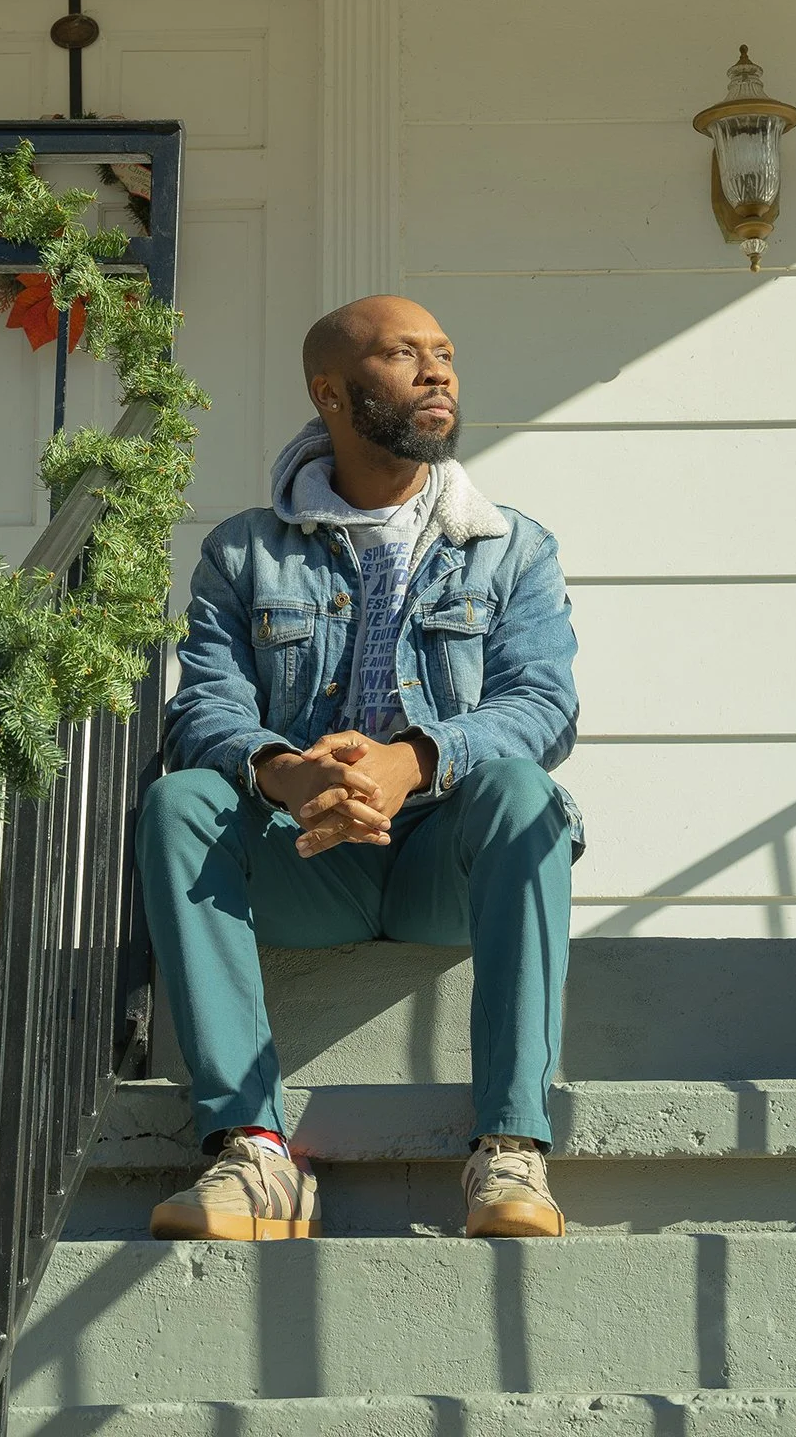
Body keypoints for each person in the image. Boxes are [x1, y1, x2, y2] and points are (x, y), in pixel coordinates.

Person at [138, 294, 582, 1243]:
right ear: (331, 393)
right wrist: (289, 775)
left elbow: (542, 709)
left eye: (446, 353)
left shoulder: (511, 548)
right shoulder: (245, 553)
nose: (438, 373)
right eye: (404, 355)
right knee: (181, 800)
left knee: (523, 790)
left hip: (444, 862)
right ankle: (253, 1152)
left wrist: (413, 761)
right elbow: (206, 708)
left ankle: (511, 1146)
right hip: (307, 857)